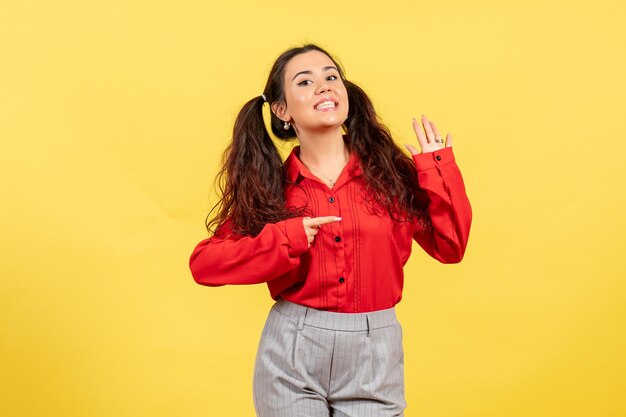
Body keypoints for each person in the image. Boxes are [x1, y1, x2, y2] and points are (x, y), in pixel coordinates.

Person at [189, 43, 472, 417]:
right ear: (282, 110)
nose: (323, 86)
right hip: (292, 351)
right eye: (304, 81)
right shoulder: (271, 189)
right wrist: (285, 239)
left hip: (375, 353)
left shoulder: (390, 176)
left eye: (331, 77)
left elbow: (450, 246)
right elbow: (204, 264)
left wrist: (437, 170)